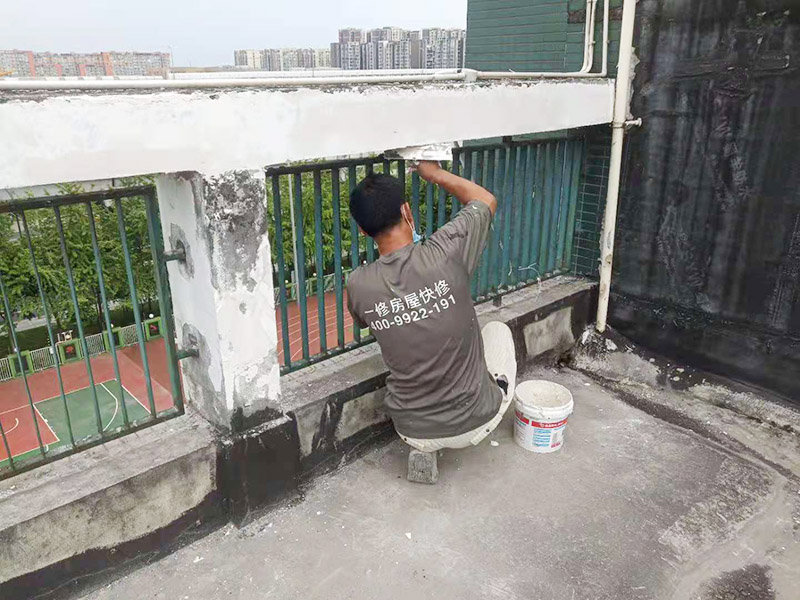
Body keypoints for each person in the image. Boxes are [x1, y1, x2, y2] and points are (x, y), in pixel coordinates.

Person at [346, 160, 517, 482]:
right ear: (406, 211)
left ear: (363, 230)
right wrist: (434, 173)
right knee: (497, 330)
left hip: (410, 429)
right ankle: (489, 396)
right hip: (476, 422)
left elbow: (365, 322)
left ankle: (424, 450)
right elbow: (485, 200)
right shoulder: (446, 252)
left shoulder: (357, 284)